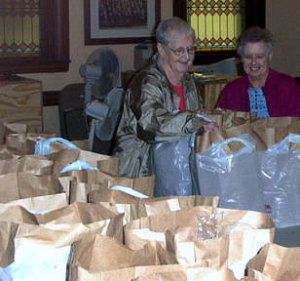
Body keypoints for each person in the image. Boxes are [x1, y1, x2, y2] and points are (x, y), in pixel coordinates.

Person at [113, 17, 217, 178]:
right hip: (141, 173)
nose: (186, 57)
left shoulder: (188, 81)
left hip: (177, 171)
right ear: (161, 49)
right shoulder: (145, 82)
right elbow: (152, 124)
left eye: (191, 49)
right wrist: (194, 122)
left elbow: (192, 119)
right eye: (179, 50)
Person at [217, 26, 300, 118]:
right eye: (248, 57)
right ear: (241, 58)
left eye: (259, 57)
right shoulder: (231, 90)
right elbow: (221, 123)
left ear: (269, 56)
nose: (253, 62)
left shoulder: (287, 86)